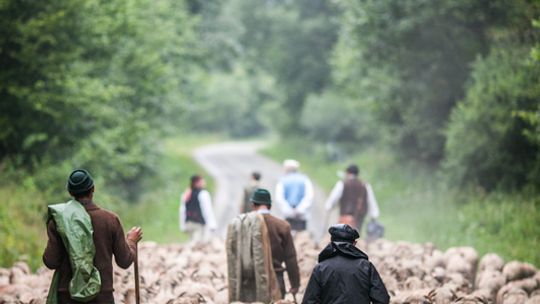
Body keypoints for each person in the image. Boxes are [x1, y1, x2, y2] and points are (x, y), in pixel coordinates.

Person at [43, 169, 143, 304]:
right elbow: (124, 261)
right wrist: (131, 241)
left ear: (70, 192)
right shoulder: (110, 220)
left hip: (68, 297)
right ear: (93, 189)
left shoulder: (59, 221)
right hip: (101, 297)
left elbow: (51, 261)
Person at [226, 189, 300, 302]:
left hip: (251, 285)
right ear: (270, 205)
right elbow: (290, 258)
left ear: (252, 205)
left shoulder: (244, 225)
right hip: (276, 284)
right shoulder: (282, 226)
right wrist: (295, 284)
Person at [302, 224, 390, 304]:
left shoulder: (321, 268)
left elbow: (309, 301)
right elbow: (382, 299)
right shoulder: (366, 267)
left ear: (331, 242)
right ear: (354, 243)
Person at [324, 164, 380, 232]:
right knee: (356, 235)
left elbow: (333, 198)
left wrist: (329, 206)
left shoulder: (343, 184)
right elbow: (371, 201)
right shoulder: (365, 185)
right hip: (359, 218)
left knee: (342, 236)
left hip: (345, 217)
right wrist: (374, 215)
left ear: (347, 173)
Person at [275, 159, 314, 232]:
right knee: (302, 239)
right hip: (301, 216)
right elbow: (309, 197)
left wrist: (289, 211)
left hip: (288, 215)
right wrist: (299, 210)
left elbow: (279, 198)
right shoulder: (305, 179)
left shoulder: (283, 180)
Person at [179, 175, 217, 243]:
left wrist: (182, 225)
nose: (204, 183)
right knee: (199, 243)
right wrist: (212, 224)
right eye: (202, 181)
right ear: (197, 183)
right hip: (199, 224)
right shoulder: (203, 194)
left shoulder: (186, 193)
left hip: (189, 222)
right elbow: (207, 210)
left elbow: (182, 210)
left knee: (192, 240)